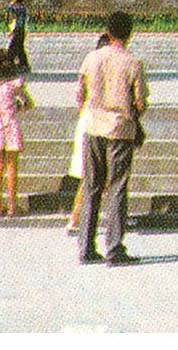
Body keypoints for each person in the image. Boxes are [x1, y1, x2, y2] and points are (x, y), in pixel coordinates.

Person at [76, 11, 148, 266]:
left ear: (107, 32)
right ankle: (114, 248)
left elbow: (80, 95)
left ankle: (86, 246)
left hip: (93, 126)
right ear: (130, 34)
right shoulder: (133, 63)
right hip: (120, 129)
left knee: (91, 186)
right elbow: (140, 102)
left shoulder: (91, 58)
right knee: (117, 187)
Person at [65, 33, 112, 235]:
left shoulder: (87, 69)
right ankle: (77, 218)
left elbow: (80, 99)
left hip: (86, 120)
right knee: (94, 175)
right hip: (99, 122)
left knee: (92, 175)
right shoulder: (106, 71)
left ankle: (82, 217)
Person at [0, 48, 33, 217]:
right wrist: (17, 107)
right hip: (10, 123)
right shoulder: (15, 84)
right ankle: (12, 206)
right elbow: (28, 103)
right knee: (12, 167)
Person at [4, 0, 30, 73]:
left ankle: (9, 63)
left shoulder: (21, 9)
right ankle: (24, 65)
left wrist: (10, 6)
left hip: (19, 31)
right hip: (20, 31)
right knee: (20, 49)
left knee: (12, 48)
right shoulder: (21, 9)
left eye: (15, 2)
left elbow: (12, 11)